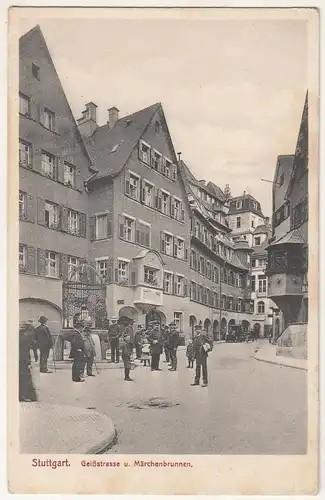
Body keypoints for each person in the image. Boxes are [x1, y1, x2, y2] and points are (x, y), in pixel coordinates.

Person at [19, 321, 37, 402]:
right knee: (24, 378)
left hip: (20, 361)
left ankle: (23, 395)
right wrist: (28, 363)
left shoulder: (21, 337)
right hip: (22, 362)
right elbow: (24, 353)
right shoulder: (24, 339)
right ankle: (23, 396)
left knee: (23, 378)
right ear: (28, 331)